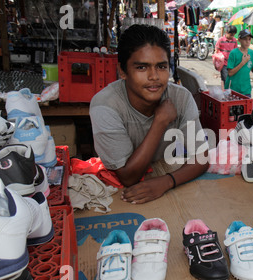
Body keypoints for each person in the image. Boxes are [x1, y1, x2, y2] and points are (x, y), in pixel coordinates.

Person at [89, 24, 209, 204]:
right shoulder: (105, 106)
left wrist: (167, 181)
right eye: (142, 68)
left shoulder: (181, 97)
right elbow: (128, 177)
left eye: (161, 66)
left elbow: (202, 157)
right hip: (122, 188)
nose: (154, 76)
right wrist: (160, 121)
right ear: (122, 71)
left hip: (162, 174)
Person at [225, 29, 253, 97]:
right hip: (233, 89)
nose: (247, 42)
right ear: (239, 40)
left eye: (249, 39)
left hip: (246, 89)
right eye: (245, 39)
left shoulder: (252, 53)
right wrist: (243, 62)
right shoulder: (233, 53)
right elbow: (230, 73)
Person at [215, 25, 238, 90]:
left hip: (231, 63)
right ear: (226, 32)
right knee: (225, 78)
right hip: (223, 63)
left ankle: (227, 90)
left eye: (233, 35)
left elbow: (235, 50)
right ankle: (226, 91)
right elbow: (216, 50)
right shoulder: (221, 40)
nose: (232, 37)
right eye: (231, 35)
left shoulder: (234, 40)